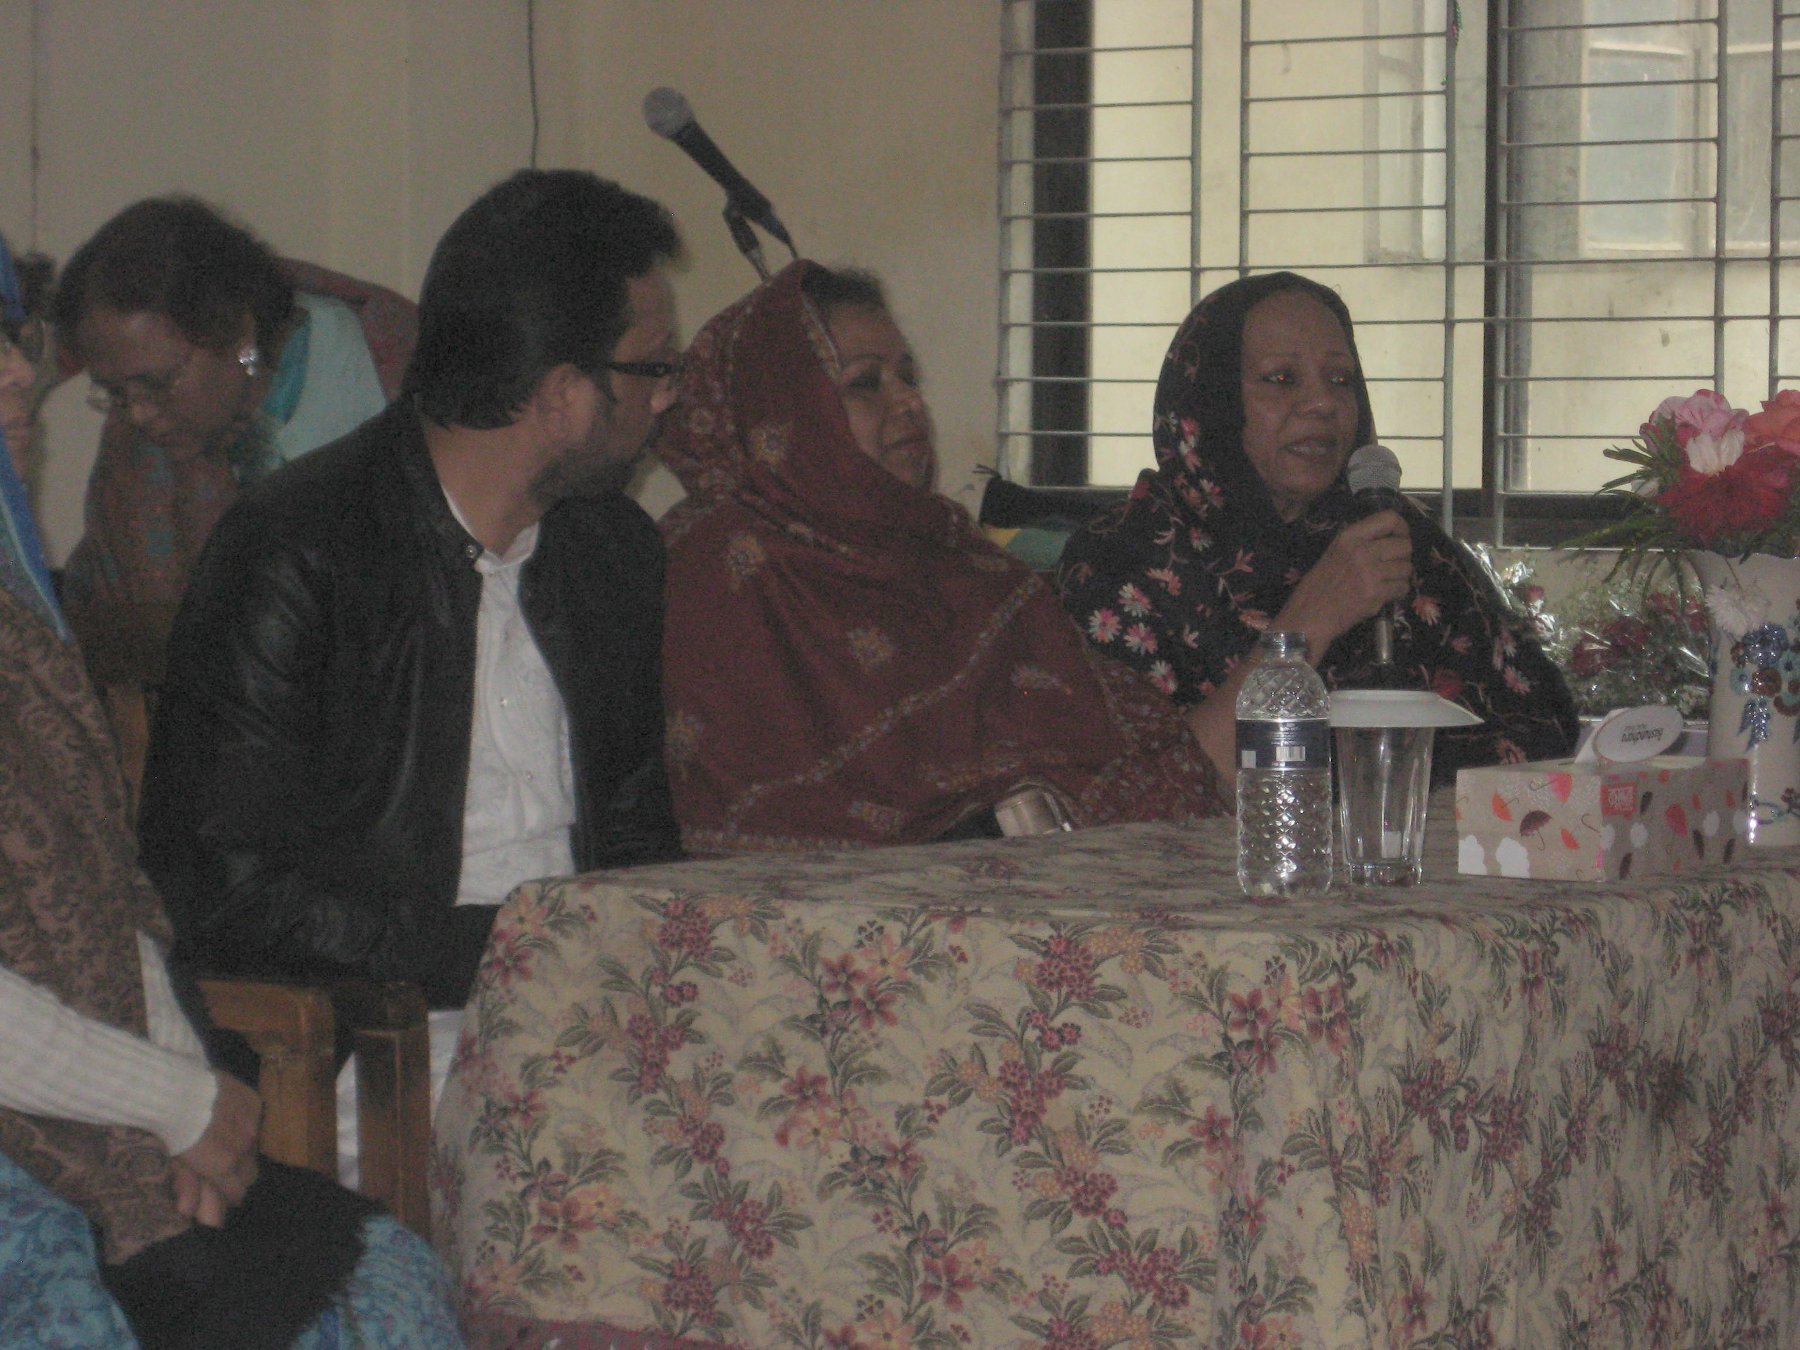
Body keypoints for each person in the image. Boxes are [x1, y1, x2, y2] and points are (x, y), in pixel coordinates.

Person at [0, 235, 460, 1349]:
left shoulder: (16, 624)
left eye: (10, 337)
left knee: (382, 1286)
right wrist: (173, 1105)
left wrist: (188, 1113)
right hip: (38, 1135)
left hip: (82, 1106)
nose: (19, 374)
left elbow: (107, 897)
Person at [137, 169, 687, 1021]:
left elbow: (637, 838)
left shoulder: (610, 552)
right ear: (563, 395)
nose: (667, 396)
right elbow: (227, 893)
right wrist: (512, 950)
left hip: (590, 1014)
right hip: (384, 1036)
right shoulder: (295, 551)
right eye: (654, 367)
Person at [657, 261, 1225, 853]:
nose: (909, 401)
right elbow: (756, 814)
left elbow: (1130, 755)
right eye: (865, 382)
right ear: (784, 409)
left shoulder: (956, 556)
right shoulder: (725, 564)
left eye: (907, 377)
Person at [1056, 270, 1578, 784]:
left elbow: (1544, 731)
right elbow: (1145, 790)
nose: (1324, 403)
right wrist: (1309, 623)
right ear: (1211, 400)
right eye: (1281, 379)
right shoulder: (1124, 560)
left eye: (1340, 380)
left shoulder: (1394, 537)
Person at [50, 195, 417, 677]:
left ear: (237, 331)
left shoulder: (385, 377)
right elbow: (103, 629)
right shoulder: (134, 454)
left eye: (158, 383)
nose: (137, 413)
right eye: (115, 392)